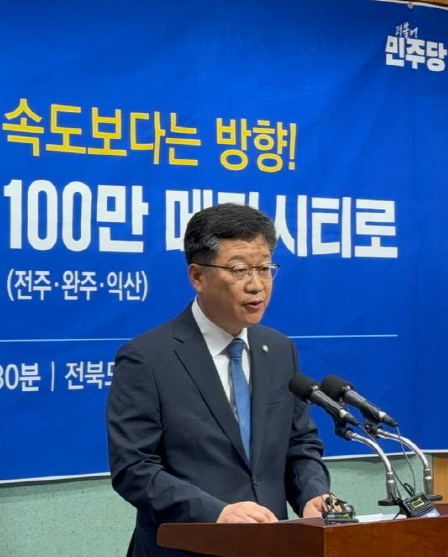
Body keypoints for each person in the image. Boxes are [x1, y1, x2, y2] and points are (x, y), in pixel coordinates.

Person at [107, 203, 331, 557]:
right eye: (240, 270)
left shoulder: (279, 349)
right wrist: (217, 513)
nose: (256, 285)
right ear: (197, 276)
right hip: (186, 548)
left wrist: (313, 494)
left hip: (271, 544)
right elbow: (134, 468)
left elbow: (299, 444)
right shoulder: (147, 357)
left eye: (265, 268)